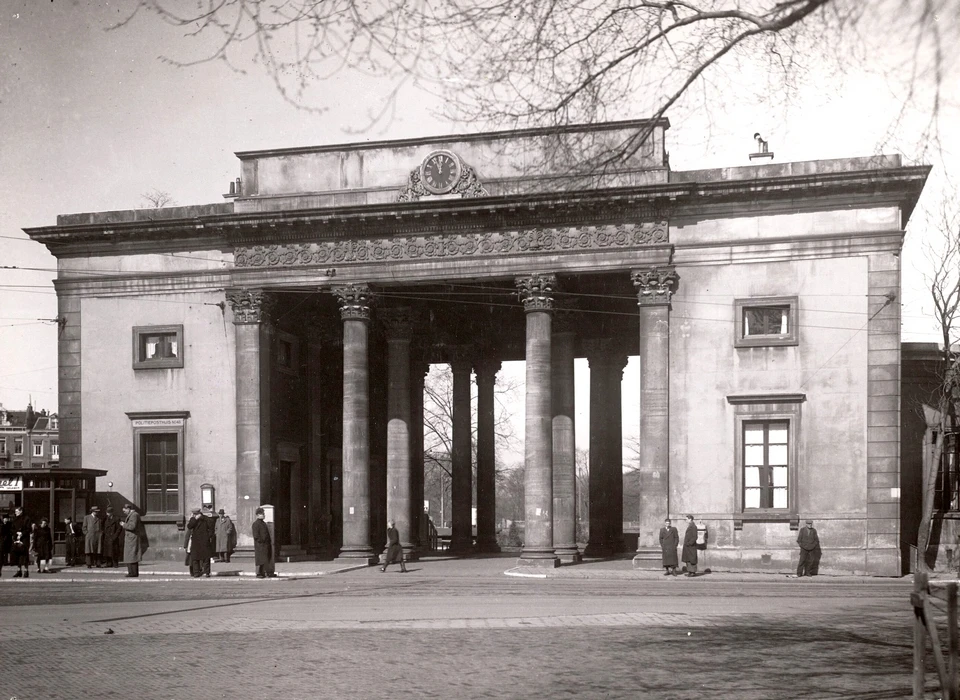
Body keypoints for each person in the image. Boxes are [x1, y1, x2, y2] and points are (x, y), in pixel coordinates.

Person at [187, 506, 216, 577]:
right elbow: (189, 526)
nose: (194, 515)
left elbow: (211, 527)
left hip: (204, 541)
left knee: (206, 557)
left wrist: (208, 536)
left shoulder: (206, 519)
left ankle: (207, 572)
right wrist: (195, 519)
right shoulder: (193, 519)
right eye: (194, 514)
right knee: (195, 558)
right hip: (196, 541)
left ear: (199, 513)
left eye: (195, 514)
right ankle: (196, 573)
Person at [120, 503, 145, 578]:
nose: (124, 512)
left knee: (132, 555)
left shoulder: (134, 515)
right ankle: (131, 572)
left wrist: (123, 524)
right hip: (130, 538)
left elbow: (132, 526)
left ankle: (133, 572)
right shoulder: (133, 515)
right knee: (130, 555)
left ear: (128, 509)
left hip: (132, 538)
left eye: (124, 511)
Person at [252, 507, 274, 578]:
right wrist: (262, 541)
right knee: (260, 560)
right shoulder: (256, 524)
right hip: (260, 545)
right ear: (257, 515)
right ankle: (259, 573)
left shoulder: (263, 523)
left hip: (265, 545)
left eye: (263, 514)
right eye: (261, 514)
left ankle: (266, 572)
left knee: (265, 559)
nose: (263, 515)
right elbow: (256, 536)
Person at [11, 506, 31, 577]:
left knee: (24, 554)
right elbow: (12, 528)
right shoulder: (15, 519)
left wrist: (22, 533)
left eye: (17, 511)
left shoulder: (26, 519)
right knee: (17, 554)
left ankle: (26, 571)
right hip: (17, 538)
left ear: (21, 511)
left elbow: (28, 529)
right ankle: (19, 570)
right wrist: (16, 533)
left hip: (24, 539)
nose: (15, 513)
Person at [0, 512, 12, 577]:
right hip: (2, 541)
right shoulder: (2, 525)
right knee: (1, 555)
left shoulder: (9, 524)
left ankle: (6, 561)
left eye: (6, 518)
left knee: (4, 553)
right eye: (4, 518)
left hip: (6, 541)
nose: (5, 519)